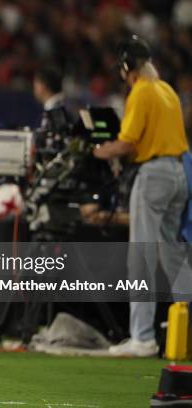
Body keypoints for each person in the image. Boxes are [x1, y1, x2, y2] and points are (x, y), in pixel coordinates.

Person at [93, 35, 191, 357]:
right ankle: (187, 325)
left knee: (142, 256)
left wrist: (100, 151)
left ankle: (143, 337)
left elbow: (128, 143)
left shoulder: (142, 91)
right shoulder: (167, 90)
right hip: (179, 174)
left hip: (154, 177)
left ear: (126, 67)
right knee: (172, 253)